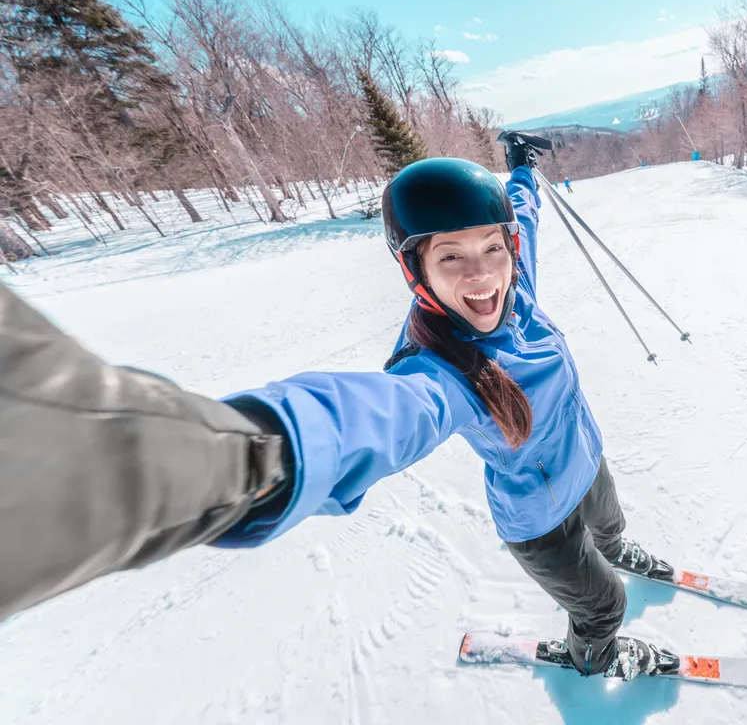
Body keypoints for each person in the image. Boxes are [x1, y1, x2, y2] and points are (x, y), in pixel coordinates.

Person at [0, 134, 672, 681]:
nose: (482, 274)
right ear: (416, 270)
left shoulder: (515, 282)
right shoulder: (440, 372)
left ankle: (617, 547)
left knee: (610, 523)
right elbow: (370, 416)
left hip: (586, 458)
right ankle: (595, 653)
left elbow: (521, 211)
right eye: (452, 257)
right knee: (601, 602)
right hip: (541, 516)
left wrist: (521, 167)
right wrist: (242, 455)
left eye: (491, 248)